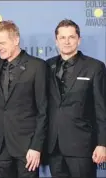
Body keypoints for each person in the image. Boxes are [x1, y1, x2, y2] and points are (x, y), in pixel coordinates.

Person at [46, 19, 106, 178]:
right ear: (56, 41)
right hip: (54, 147)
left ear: (79, 40)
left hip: (82, 147)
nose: (67, 41)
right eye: (62, 37)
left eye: (71, 37)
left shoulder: (95, 67)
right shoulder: (47, 66)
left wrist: (102, 144)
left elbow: (101, 109)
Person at [0, 20, 48, 178]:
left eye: (2, 43)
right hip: (1, 145)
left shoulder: (37, 66)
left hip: (26, 147)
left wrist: (36, 146)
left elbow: (43, 110)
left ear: (16, 40)